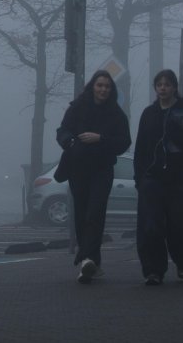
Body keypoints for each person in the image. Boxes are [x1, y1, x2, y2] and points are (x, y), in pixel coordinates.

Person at [54, 69, 132, 284]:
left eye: (107, 86)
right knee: (81, 213)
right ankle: (90, 261)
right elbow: (62, 130)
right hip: (78, 168)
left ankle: (87, 257)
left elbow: (124, 141)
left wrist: (101, 138)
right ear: (92, 87)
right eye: (99, 85)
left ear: (111, 90)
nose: (103, 90)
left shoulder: (116, 114)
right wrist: (69, 142)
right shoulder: (77, 107)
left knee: (95, 212)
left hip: (102, 169)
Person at [133, 69, 183, 286]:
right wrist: (140, 177)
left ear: (174, 87)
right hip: (152, 178)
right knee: (150, 225)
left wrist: (180, 136)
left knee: (177, 224)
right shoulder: (149, 114)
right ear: (155, 88)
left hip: (179, 179)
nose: (163, 88)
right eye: (159, 84)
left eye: (167, 84)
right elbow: (141, 147)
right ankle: (153, 270)